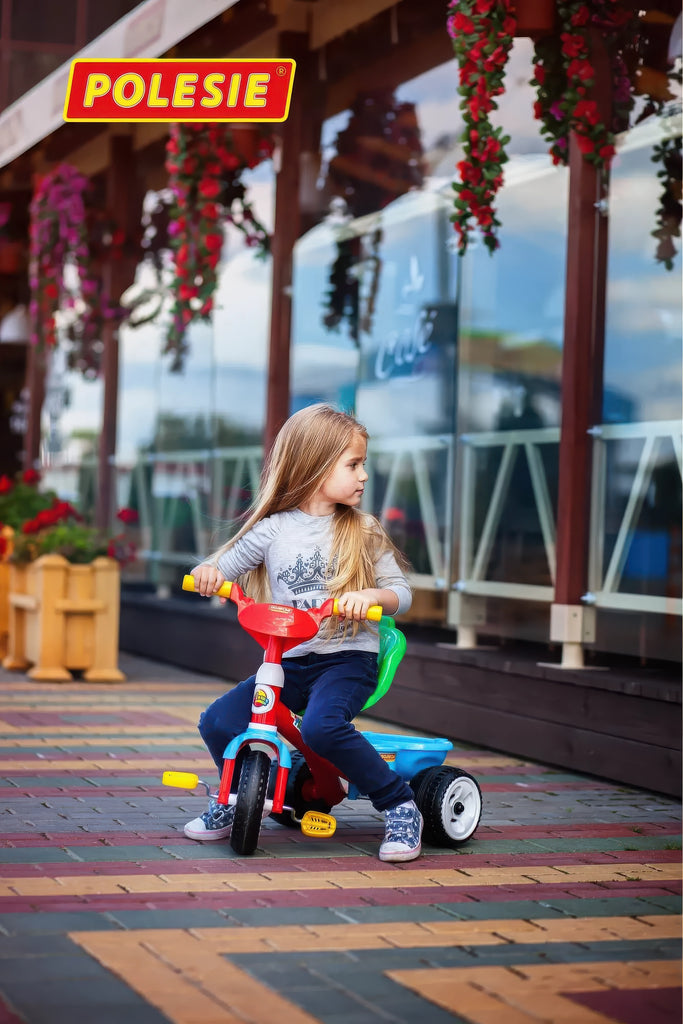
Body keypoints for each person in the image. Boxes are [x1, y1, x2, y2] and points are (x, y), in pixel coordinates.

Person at [184, 403, 422, 862]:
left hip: (347, 658)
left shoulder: (363, 530)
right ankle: (241, 796)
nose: (364, 475)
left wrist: (372, 598)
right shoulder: (271, 531)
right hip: (289, 660)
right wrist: (207, 573)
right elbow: (219, 566)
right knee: (218, 720)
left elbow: (401, 593)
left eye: (362, 464)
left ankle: (399, 803)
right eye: (353, 465)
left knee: (321, 727)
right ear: (314, 466)